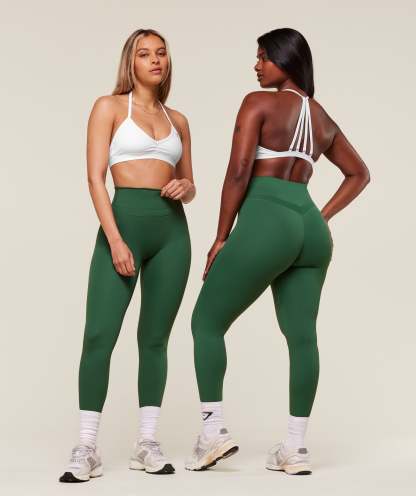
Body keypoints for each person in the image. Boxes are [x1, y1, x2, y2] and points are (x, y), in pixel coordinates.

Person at [185, 27, 370, 475]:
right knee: (302, 336)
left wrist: (221, 236)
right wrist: (320, 217)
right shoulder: (322, 119)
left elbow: (238, 171)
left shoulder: (258, 103)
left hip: (267, 218)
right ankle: (295, 448)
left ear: (286, 61)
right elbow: (359, 173)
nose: (256, 66)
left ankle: (212, 432)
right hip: (309, 229)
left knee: (206, 322)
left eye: (263, 57)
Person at [59, 28, 195, 482]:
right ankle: (86, 447)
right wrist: (115, 240)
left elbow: (190, 184)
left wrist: (186, 187)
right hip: (123, 227)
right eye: (144, 53)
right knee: (99, 335)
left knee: (155, 339)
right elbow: (95, 178)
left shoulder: (179, 119)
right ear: (130, 62)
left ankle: (147, 443)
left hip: (172, 234)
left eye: (161, 53)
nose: (155, 60)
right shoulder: (110, 107)